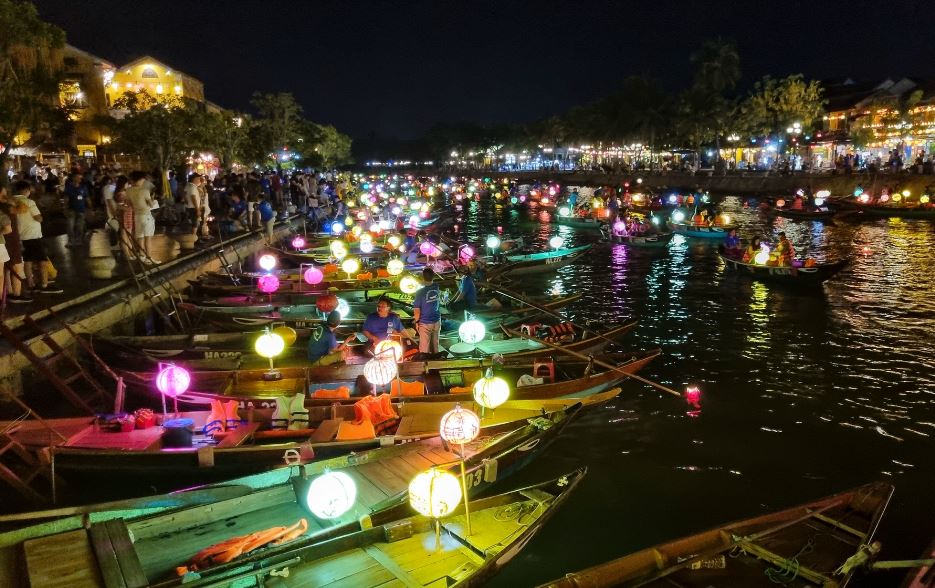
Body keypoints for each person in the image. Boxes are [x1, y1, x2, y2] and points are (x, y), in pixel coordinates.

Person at [11, 180, 61, 294]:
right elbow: (38, 218)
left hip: (21, 236)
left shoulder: (12, 202)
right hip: (33, 235)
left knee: (27, 261)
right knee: (42, 260)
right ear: (26, 190)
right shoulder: (29, 202)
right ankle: (44, 285)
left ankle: (30, 284)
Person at [126, 171, 157, 262]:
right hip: (146, 216)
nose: (144, 182)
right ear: (138, 179)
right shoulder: (144, 191)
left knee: (140, 236)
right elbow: (151, 205)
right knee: (148, 238)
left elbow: (128, 203)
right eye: (143, 180)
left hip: (137, 216)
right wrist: (152, 199)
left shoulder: (128, 190)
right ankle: (149, 257)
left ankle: (142, 255)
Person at [412, 268, 441, 355]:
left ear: (422, 277)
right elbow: (427, 283)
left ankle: (426, 365)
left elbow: (417, 310)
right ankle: (437, 362)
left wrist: (416, 322)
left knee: (424, 349)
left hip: (425, 323)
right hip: (437, 321)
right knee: (435, 345)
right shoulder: (436, 286)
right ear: (433, 276)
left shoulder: (420, 292)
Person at [64, 172, 90, 247]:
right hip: (71, 209)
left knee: (80, 226)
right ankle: (71, 241)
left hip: (81, 209)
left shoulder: (83, 187)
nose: (79, 179)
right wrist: (65, 208)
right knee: (70, 226)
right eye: (78, 177)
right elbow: (66, 198)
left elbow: (87, 198)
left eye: (80, 178)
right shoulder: (69, 187)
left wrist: (90, 207)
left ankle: (78, 240)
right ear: (73, 178)